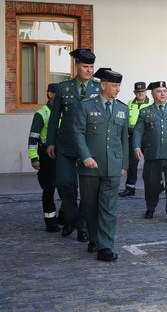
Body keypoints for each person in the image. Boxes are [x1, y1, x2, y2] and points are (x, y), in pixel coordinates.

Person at [72, 68, 128, 262]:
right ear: (103, 85)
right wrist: (85, 156)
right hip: (90, 165)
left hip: (113, 165)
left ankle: (105, 247)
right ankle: (94, 238)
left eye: (119, 85)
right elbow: (77, 132)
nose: (118, 89)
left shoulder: (122, 108)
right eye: (114, 85)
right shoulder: (85, 106)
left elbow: (124, 139)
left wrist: (124, 164)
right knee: (89, 205)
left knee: (108, 208)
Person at [46, 48, 100, 243]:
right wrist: (50, 141)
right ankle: (75, 219)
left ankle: (80, 224)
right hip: (66, 144)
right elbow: (54, 118)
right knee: (63, 183)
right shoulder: (63, 88)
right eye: (85, 66)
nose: (89, 70)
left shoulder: (98, 88)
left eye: (91, 67)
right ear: (76, 66)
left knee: (87, 190)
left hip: (89, 146)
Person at [133, 81, 167, 223]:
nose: (163, 94)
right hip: (152, 154)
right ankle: (150, 207)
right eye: (159, 91)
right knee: (151, 184)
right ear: (152, 94)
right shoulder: (145, 112)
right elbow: (138, 131)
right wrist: (136, 147)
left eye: (165, 91)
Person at [28, 83, 62, 232]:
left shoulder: (64, 112)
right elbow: (33, 137)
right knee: (49, 188)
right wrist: (34, 158)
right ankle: (50, 221)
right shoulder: (41, 113)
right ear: (50, 94)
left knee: (66, 187)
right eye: (56, 93)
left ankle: (64, 217)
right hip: (46, 155)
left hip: (62, 155)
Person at [119, 82, 153, 197]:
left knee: (152, 161)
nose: (140, 94)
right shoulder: (130, 104)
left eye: (142, 91)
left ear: (146, 92)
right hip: (132, 135)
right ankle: (130, 188)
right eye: (138, 92)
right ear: (135, 92)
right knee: (132, 163)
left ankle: (158, 185)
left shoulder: (152, 103)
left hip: (147, 135)